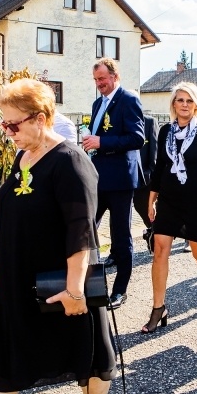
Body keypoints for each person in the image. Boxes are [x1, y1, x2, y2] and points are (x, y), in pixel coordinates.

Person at [0, 79, 116, 394]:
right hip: (17, 284)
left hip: (61, 284)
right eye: (3, 124)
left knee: (90, 354)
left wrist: (74, 290)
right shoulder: (24, 155)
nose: (7, 132)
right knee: (3, 364)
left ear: (40, 118)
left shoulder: (71, 161)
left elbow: (81, 230)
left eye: (13, 125)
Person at [143, 81, 197, 333]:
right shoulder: (165, 131)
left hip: (195, 200)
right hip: (169, 199)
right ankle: (159, 307)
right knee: (160, 250)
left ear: (196, 104)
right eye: (180, 100)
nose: (184, 105)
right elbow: (158, 168)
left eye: (189, 100)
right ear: (173, 104)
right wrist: (150, 201)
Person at [82, 58, 145, 310]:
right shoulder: (98, 103)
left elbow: (137, 138)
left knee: (121, 235)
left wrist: (101, 143)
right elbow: (98, 134)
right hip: (97, 177)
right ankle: (86, 283)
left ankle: (120, 290)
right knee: (86, 229)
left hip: (119, 180)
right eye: (96, 80)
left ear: (115, 77)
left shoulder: (128, 100)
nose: (99, 84)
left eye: (103, 79)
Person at [133, 113, 159, 252]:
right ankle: (116, 252)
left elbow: (154, 152)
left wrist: (149, 174)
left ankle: (156, 237)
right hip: (123, 178)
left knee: (145, 210)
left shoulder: (149, 122)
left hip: (144, 179)